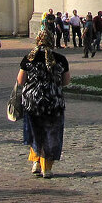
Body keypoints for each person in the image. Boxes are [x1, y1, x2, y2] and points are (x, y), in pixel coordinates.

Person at [17, 29, 70, 178]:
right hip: (53, 103)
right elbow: (66, 81)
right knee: (51, 134)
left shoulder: (29, 58)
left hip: (32, 103)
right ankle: (46, 168)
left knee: (35, 132)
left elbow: (20, 81)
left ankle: (36, 162)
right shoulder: (60, 59)